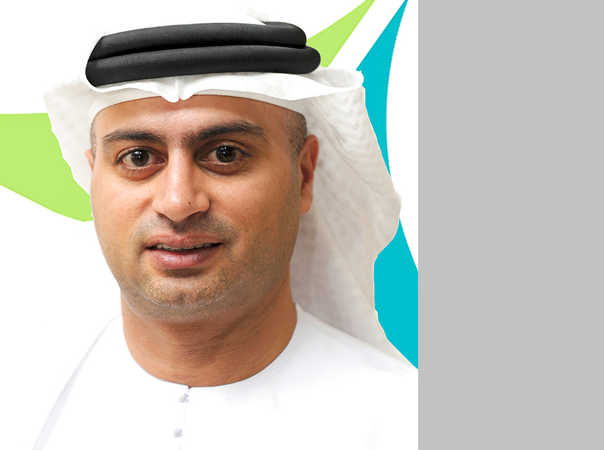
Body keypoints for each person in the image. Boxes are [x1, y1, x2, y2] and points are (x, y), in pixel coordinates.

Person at [31, 7, 417, 450]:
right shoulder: (10, 403)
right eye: (138, 157)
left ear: (304, 176)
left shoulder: (410, 424)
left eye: (225, 154)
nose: (177, 203)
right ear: (93, 175)